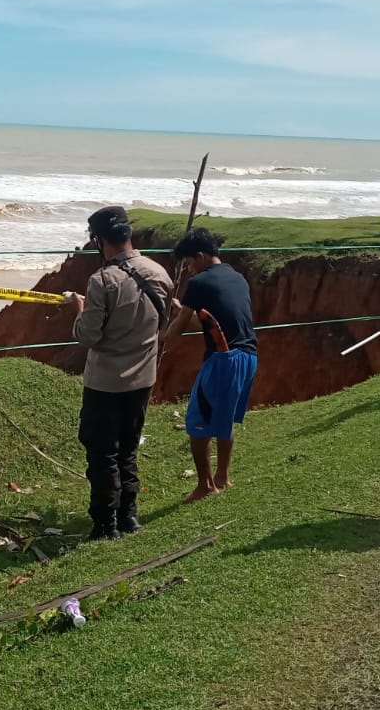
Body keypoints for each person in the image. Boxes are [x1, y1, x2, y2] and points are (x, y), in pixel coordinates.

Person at [65, 205, 173, 540]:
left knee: (102, 453)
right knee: (127, 449)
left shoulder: (102, 281)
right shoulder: (159, 273)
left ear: (98, 239)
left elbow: (89, 335)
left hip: (105, 382)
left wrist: (78, 308)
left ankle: (104, 524)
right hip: (142, 378)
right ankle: (129, 516)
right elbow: (162, 322)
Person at [162, 228, 257, 502]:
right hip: (248, 356)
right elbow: (209, 320)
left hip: (222, 359)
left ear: (200, 256)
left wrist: (152, 339)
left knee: (197, 423)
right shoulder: (237, 277)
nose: (190, 270)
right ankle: (222, 477)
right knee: (224, 417)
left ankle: (205, 486)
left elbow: (177, 331)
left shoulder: (199, 283)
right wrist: (184, 309)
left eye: (190, 263)